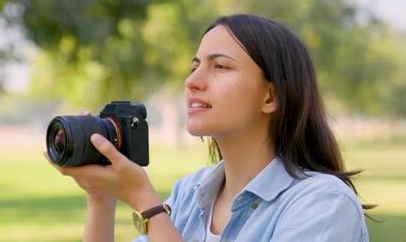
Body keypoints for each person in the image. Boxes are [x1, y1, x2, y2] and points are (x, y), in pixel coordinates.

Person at [44, 14, 372, 241]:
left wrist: (146, 201)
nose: (192, 81)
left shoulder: (322, 205)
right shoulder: (191, 193)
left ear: (270, 96)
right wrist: (100, 198)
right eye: (195, 66)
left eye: (220, 67)